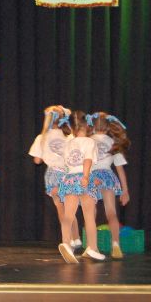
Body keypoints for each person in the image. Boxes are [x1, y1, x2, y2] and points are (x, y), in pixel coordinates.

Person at [28, 105, 81, 250]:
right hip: (70, 174)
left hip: (54, 175)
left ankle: (67, 240)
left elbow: (37, 160)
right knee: (70, 208)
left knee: (61, 209)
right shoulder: (70, 137)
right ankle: (76, 238)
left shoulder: (42, 137)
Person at [57, 110, 103, 263]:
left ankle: (66, 243)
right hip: (84, 178)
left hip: (69, 179)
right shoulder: (90, 142)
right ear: (87, 125)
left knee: (68, 215)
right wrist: (86, 176)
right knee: (89, 216)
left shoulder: (68, 143)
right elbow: (88, 160)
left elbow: (65, 164)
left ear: (71, 127)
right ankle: (92, 248)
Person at [89, 112, 131, 259]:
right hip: (107, 176)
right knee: (111, 213)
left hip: (92, 177)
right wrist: (125, 191)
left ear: (92, 126)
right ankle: (116, 244)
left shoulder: (88, 141)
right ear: (108, 127)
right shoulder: (113, 142)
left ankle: (91, 246)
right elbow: (120, 169)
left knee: (91, 213)